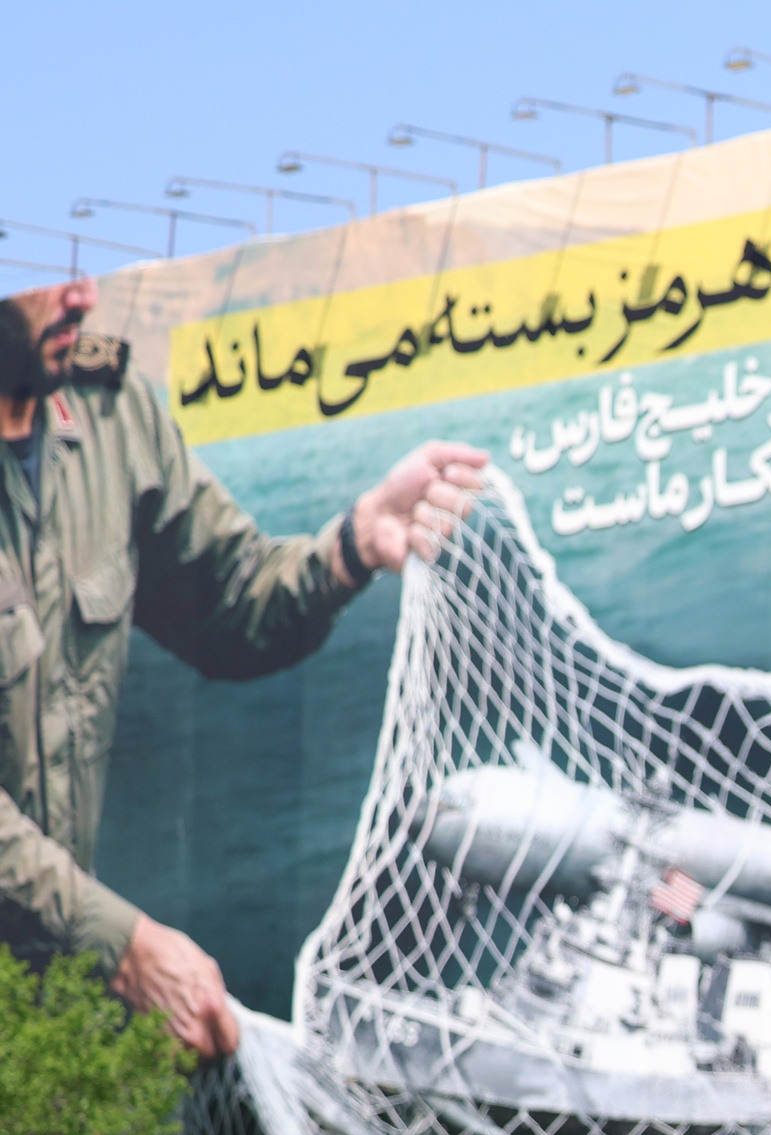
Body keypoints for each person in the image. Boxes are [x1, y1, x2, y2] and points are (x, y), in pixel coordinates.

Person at [0, 272, 488, 1055]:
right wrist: (121, 944)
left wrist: (353, 544)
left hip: (44, 1020)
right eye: (49, 269)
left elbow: (228, 604)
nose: (83, 296)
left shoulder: (108, 412)